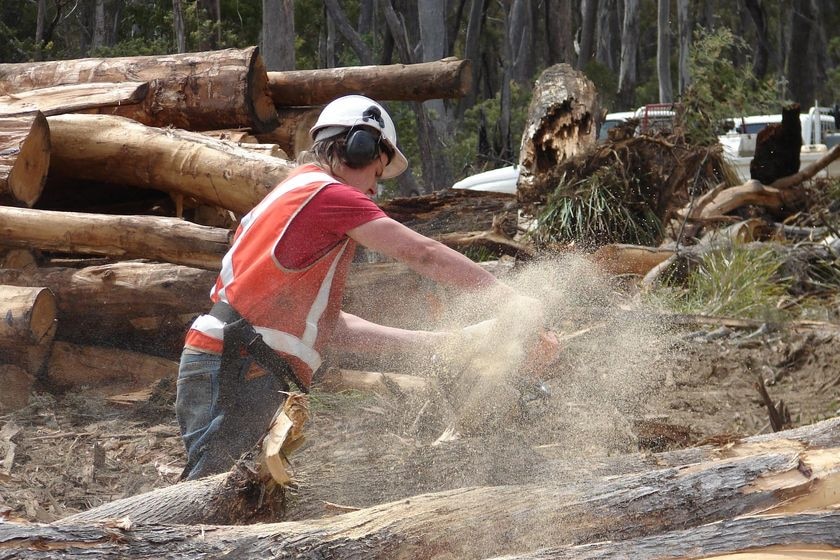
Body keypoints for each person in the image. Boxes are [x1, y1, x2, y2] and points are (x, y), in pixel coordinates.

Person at [175, 95, 555, 480]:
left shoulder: (294, 196)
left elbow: (332, 328)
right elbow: (424, 254)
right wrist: (510, 298)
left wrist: (443, 341)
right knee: (212, 504)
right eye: (376, 173)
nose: (374, 190)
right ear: (358, 147)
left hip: (241, 364)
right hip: (240, 368)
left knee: (237, 502)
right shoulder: (327, 195)